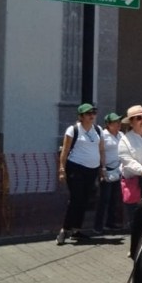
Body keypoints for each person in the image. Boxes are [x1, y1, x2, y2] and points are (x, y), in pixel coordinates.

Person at [57, 103, 105, 244]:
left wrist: (102, 168)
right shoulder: (73, 130)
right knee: (76, 199)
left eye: (93, 113)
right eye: (88, 113)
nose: (92, 116)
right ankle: (64, 230)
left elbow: (101, 150)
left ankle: (76, 230)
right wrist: (61, 169)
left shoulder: (98, 130)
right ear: (81, 116)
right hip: (76, 168)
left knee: (85, 200)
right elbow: (65, 151)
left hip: (92, 170)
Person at [93, 112, 124, 234]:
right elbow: (100, 152)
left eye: (119, 122)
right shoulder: (103, 136)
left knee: (114, 198)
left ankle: (110, 223)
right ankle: (98, 225)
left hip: (118, 169)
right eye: (115, 122)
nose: (118, 124)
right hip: (107, 170)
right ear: (108, 124)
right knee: (103, 199)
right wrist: (102, 168)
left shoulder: (121, 135)